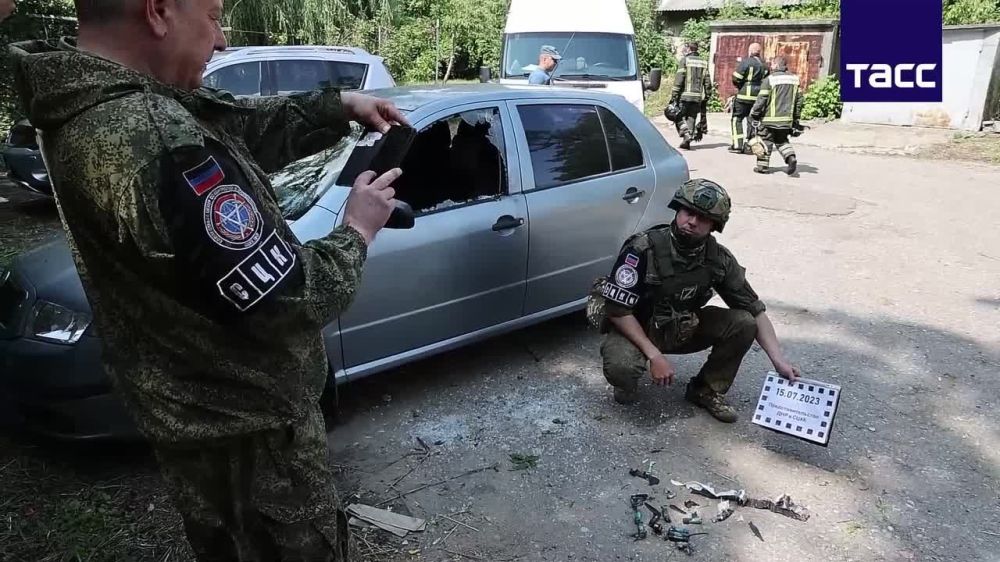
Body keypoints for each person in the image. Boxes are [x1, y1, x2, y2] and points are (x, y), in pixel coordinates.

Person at [9, 0, 409, 559]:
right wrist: (358, 229)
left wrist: (337, 106)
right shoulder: (153, 139)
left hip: (197, 417)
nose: (222, 41)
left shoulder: (90, 103)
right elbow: (291, 298)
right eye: (216, 16)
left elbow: (227, 125)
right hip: (248, 435)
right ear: (157, 12)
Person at [596, 179, 801, 423]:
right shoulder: (642, 249)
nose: (692, 222)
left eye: (702, 218)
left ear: (715, 225)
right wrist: (655, 356)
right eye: (688, 212)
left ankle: (705, 389)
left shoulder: (717, 258)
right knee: (622, 367)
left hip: (682, 327)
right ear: (677, 210)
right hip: (637, 328)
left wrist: (779, 362)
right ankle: (626, 382)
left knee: (744, 322)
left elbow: (755, 310)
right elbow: (618, 310)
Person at [750, 56, 804, 176]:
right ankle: (790, 158)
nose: (770, 66)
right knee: (782, 141)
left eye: (772, 64)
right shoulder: (795, 80)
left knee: (766, 141)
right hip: (786, 120)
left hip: (769, 119)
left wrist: (755, 113)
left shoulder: (769, 79)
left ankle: (763, 167)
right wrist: (796, 117)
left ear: (775, 65)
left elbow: (761, 99)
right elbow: (799, 101)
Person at [669, 42, 712, 150]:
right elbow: (707, 81)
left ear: (689, 49)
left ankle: (686, 134)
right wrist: (707, 95)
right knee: (692, 117)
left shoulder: (685, 60)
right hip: (697, 97)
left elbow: (679, 78)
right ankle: (687, 140)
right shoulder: (703, 62)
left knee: (678, 116)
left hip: (684, 96)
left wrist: (674, 94)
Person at [729, 42, 768, 154]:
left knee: (737, 119)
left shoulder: (746, 62)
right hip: (757, 98)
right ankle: (751, 146)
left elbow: (736, 77)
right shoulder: (765, 65)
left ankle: (737, 145)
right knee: (753, 121)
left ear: (750, 51)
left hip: (743, 96)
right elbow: (766, 80)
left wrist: (740, 86)